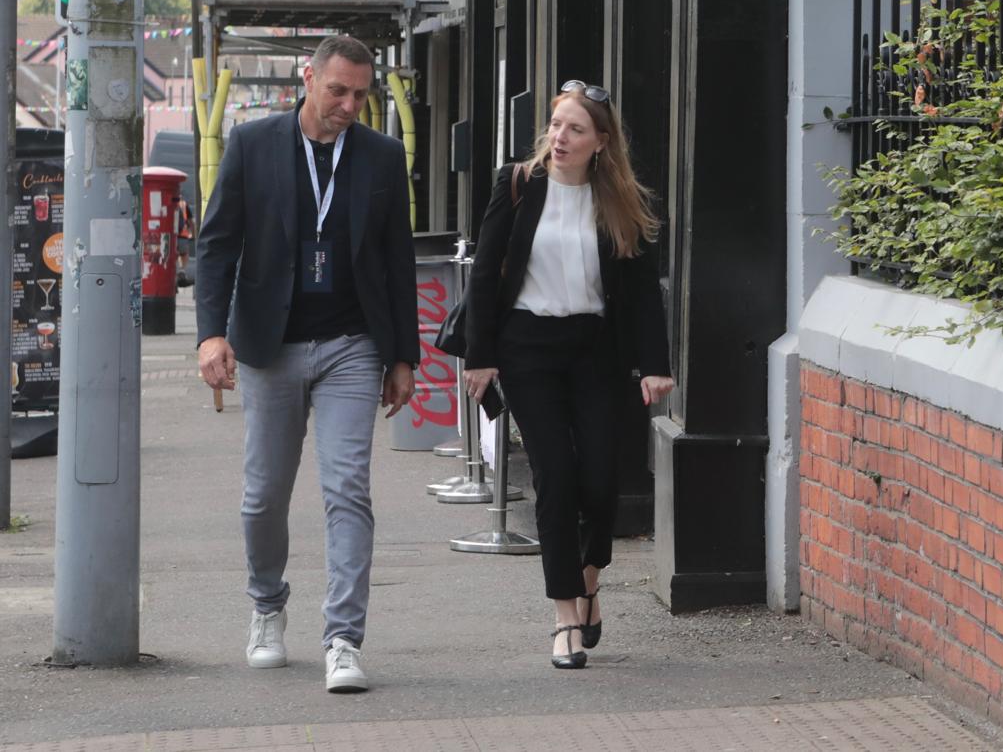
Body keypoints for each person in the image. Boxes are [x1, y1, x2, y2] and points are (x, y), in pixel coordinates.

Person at [194, 35, 420, 694]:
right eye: (338, 90)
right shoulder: (252, 145)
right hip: (271, 345)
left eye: (360, 94)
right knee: (263, 495)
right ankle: (267, 605)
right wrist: (211, 336)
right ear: (308, 79)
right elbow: (215, 248)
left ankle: (343, 638)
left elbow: (397, 260)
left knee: (347, 488)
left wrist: (403, 355)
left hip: (353, 344)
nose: (349, 105)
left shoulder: (381, 157)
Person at [463, 80, 673, 671]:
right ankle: (563, 618)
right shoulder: (518, 185)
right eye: (556, 124)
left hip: (595, 350)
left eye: (575, 128)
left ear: (601, 142)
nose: (560, 137)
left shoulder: (621, 202)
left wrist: (655, 364)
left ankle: (589, 578)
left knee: (602, 480)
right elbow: (484, 272)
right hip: (528, 347)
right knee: (554, 475)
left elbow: (639, 292)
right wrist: (480, 355)